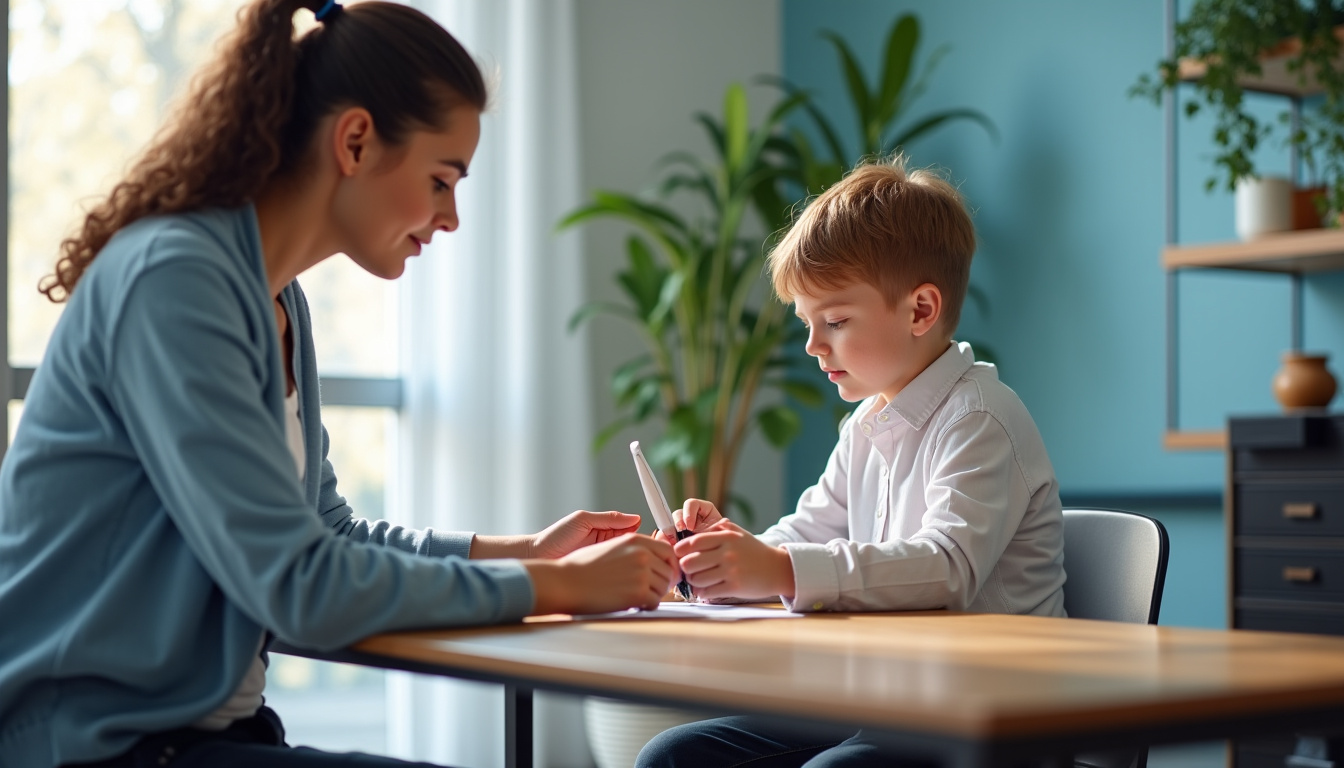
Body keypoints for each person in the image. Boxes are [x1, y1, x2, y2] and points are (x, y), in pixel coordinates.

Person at [0, 2, 679, 767]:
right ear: (355, 141)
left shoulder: (278, 300)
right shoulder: (176, 283)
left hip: (205, 734)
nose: (451, 217)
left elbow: (324, 535)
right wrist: (553, 587)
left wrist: (523, 554)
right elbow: (302, 588)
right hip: (94, 746)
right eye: (441, 178)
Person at [637, 157, 1067, 768]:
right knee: (676, 756)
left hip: (990, 715)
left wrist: (778, 569)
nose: (812, 344)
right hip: (892, 705)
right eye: (808, 323)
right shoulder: (866, 425)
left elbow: (945, 569)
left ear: (920, 310)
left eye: (834, 321)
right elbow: (806, 535)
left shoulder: (980, 418)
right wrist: (730, 553)